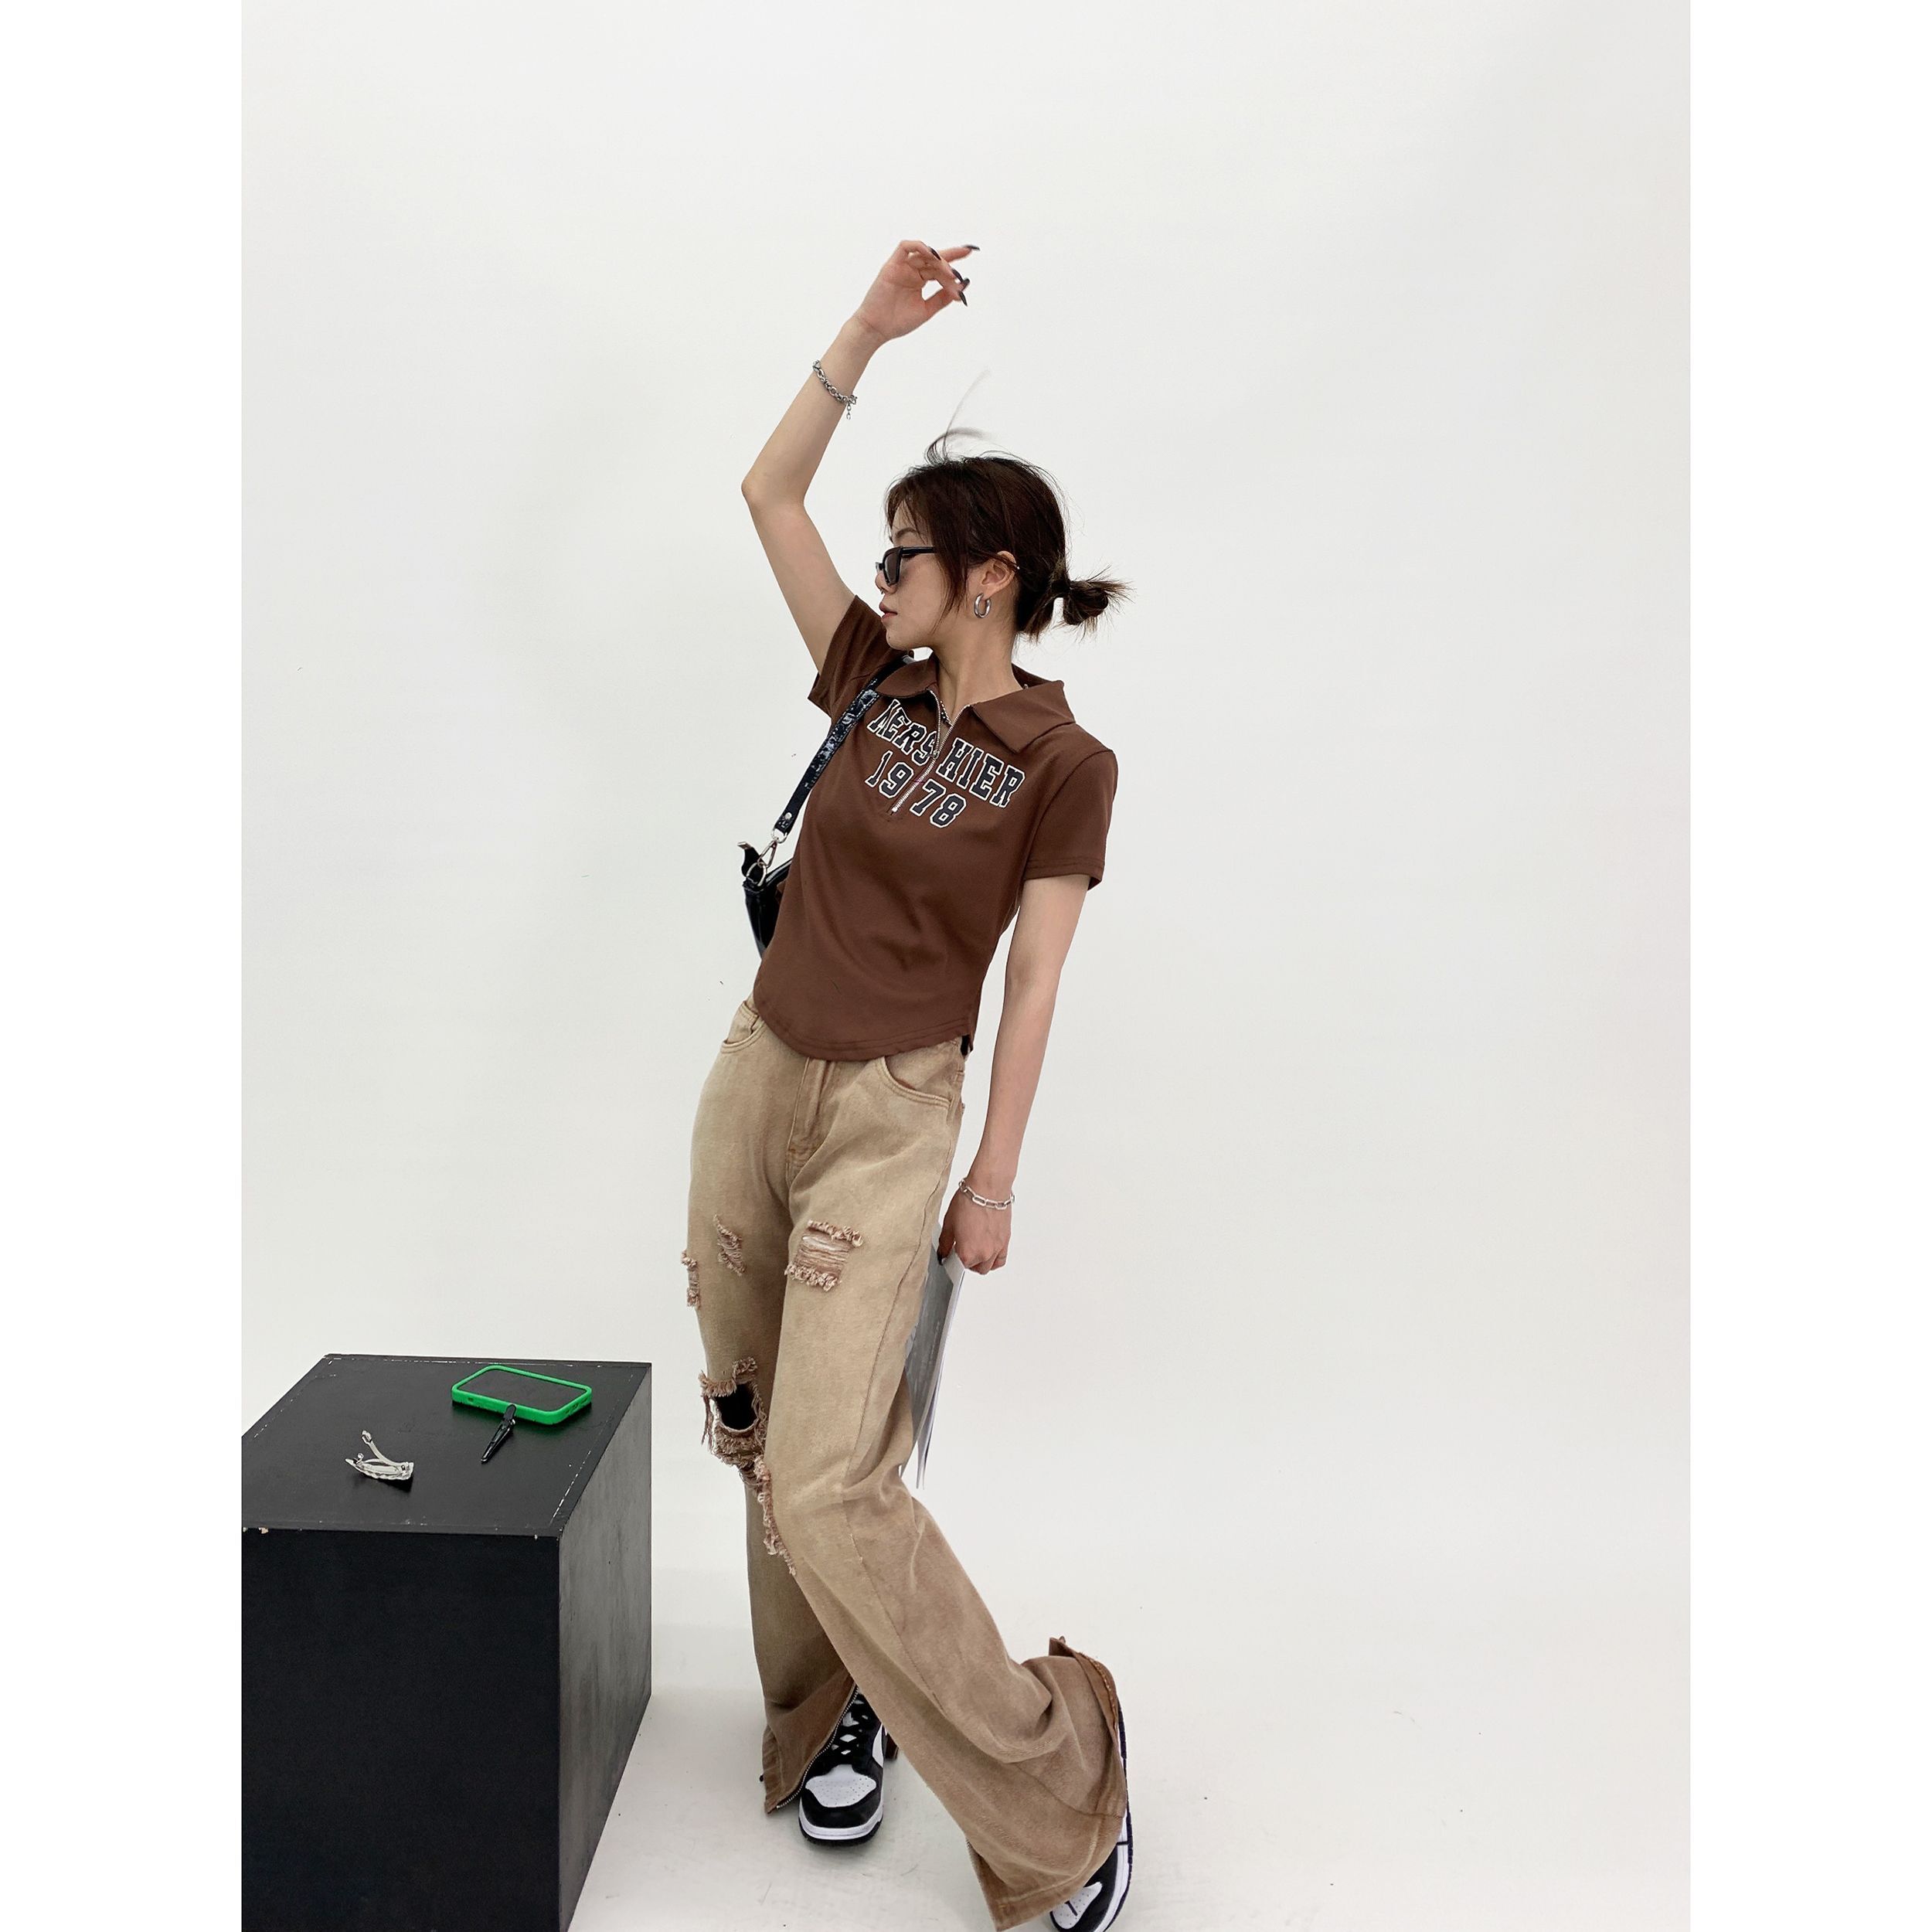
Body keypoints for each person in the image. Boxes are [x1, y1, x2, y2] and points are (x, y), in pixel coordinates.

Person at [682, 239, 1133, 1932]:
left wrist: (990, 1177)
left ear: (991, 580)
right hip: (757, 1075)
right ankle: (826, 1711)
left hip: (889, 1113)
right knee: (757, 1425)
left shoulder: (1063, 764)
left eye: (908, 558)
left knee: (834, 1480)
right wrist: (864, 334)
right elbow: (766, 493)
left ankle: (1055, 1791)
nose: (879, 577)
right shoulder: (868, 678)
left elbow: (1034, 986)